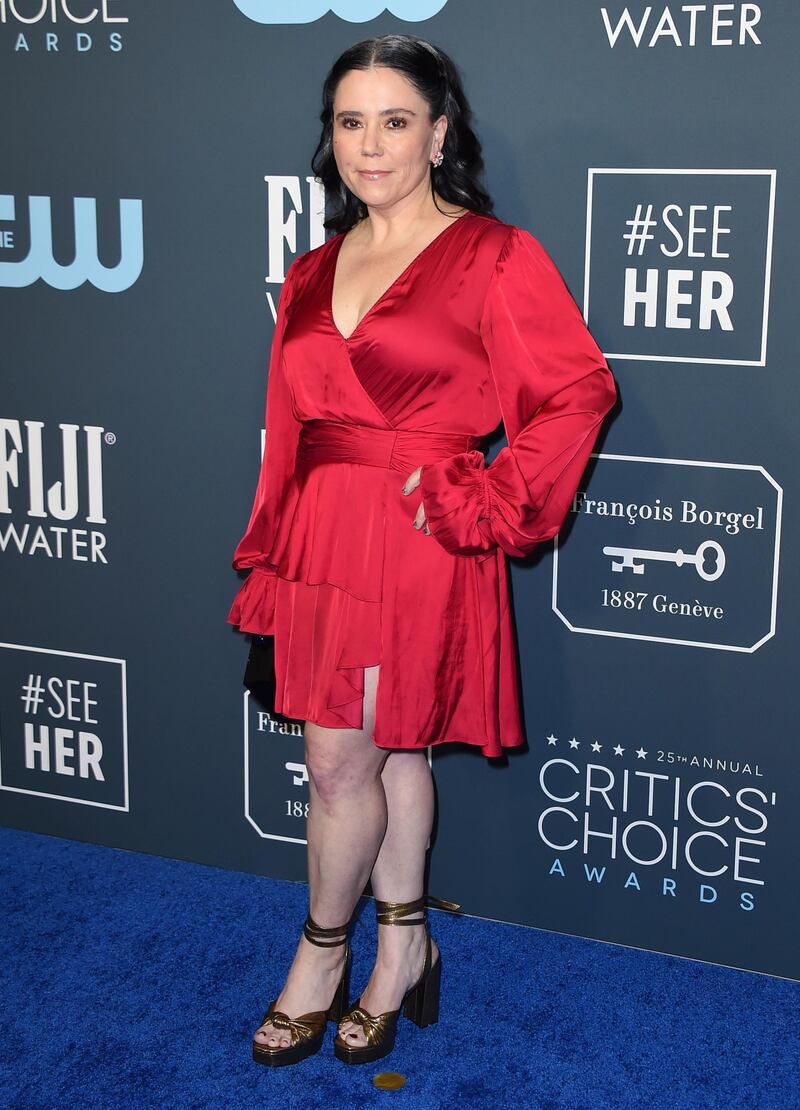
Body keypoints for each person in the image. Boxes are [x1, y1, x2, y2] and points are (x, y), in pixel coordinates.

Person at [227, 33, 617, 1067]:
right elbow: (289, 423)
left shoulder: (495, 255)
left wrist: (486, 497)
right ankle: (401, 945)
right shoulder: (313, 268)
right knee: (386, 748)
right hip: (322, 535)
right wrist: (273, 548)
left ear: (438, 134)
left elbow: (576, 390)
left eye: (394, 121)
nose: (369, 144)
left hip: (418, 538)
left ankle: (320, 955)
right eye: (349, 122)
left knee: (339, 761)